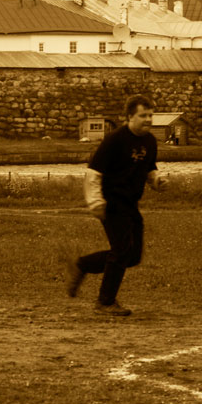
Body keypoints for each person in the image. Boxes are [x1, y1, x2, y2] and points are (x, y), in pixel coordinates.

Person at [66, 95, 168, 315]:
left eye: (150, 115)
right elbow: (93, 173)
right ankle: (104, 302)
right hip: (111, 202)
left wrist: (157, 180)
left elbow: (149, 167)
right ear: (130, 117)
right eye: (143, 115)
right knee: (122, 251)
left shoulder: (149, 141)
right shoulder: (115, 140)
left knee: (132, 257)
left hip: (131, 203)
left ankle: (83, 264)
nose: (148, 120)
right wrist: (95, 202)